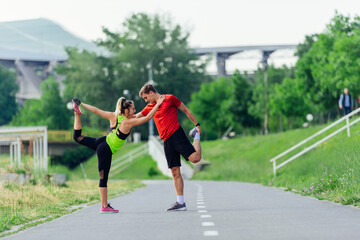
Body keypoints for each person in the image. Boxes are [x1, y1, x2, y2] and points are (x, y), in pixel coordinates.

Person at [72, 95, 165, 213]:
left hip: (101, 141)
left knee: (77, 137)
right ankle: (104, 206)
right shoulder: (128, 122)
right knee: (103, 178)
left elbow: (96, 110)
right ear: (126, 111)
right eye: (133, 109)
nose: (135, 111)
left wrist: (81, 104)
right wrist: (157, 105)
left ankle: (77, 114)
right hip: (106, 149)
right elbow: (147, 118)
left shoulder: (114, 115)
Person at [136, 84, 201, 211]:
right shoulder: (150, 107)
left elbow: (186, 110)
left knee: (195, 159)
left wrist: (197, 124)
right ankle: (180, 202)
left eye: (145, 97)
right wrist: (118, 117)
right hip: (166, 141)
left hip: (177, 134)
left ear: (150, 92)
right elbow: (135, 117)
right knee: (175, 171)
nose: (145, 100)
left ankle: (196, 136)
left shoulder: (169, 98)